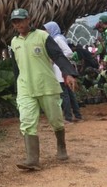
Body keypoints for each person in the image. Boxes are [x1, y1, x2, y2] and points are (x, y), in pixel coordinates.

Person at [9, 9, 78, 171]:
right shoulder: (14, 42)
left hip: (46, 86)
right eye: (14, 22)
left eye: (20, 20)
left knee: (56, 121)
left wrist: (68, 73)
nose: (18, 24)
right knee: (26, 122)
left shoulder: (43, 36)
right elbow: (16, 68)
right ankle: (32, 159)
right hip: (25, 87)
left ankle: (61, 147)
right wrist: (17, 85)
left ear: (28, 20)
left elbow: (58, 55)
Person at [43, 21, 82, 123]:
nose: (45, 31)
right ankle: (77, 115)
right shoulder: (57, 38)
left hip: (60, 70)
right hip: (61, 70)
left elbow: (69, 52)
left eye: (47, 29)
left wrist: (55, 59)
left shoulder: (57, 39)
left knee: (64, 94)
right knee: (69, 93)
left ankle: (68, 117)